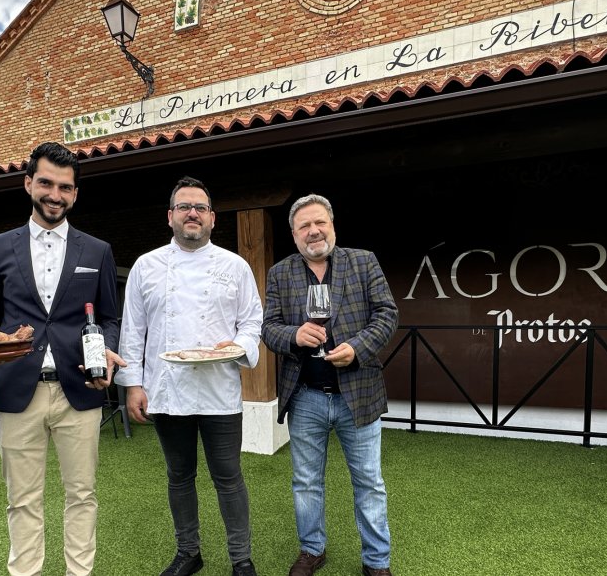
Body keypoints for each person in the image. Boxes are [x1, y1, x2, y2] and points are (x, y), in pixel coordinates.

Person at [0, 141, 123, 576]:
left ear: (75, 194)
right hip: (19, 389)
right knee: (22, 498)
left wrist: (108, 351)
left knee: (83, 494)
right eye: (46, 183)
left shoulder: (96, 251)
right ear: (28, 184)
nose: (55, 194)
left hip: (81, 389)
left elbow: (110, 317)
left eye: (65, 187)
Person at [115, 176, 262, 576]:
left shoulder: (235, 265)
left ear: (212, 218)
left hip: (219, 390)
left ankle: (241, 559)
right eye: (184, 207)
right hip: (166, 389)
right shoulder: (147, 266)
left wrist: (239, 347)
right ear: (170, 217)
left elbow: (251, 322)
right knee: (179, 477)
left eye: (199, 207)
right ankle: (188, 552)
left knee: (229, 478)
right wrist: (132, 385)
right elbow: (133, 330)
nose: (192, 213)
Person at [262, 194, 399, 576]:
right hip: (305, 396)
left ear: (332, 225)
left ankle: (376, 561)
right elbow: (268, 328)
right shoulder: (280, 273)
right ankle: (312, 549)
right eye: (304, 225)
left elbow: (387, 315)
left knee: (369, 483)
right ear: (294, 234)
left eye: (319, 222)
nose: (314, 231)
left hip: (359, 392)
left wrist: (356, 348)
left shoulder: (363, 261)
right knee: (306, 483)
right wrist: (293, 335)